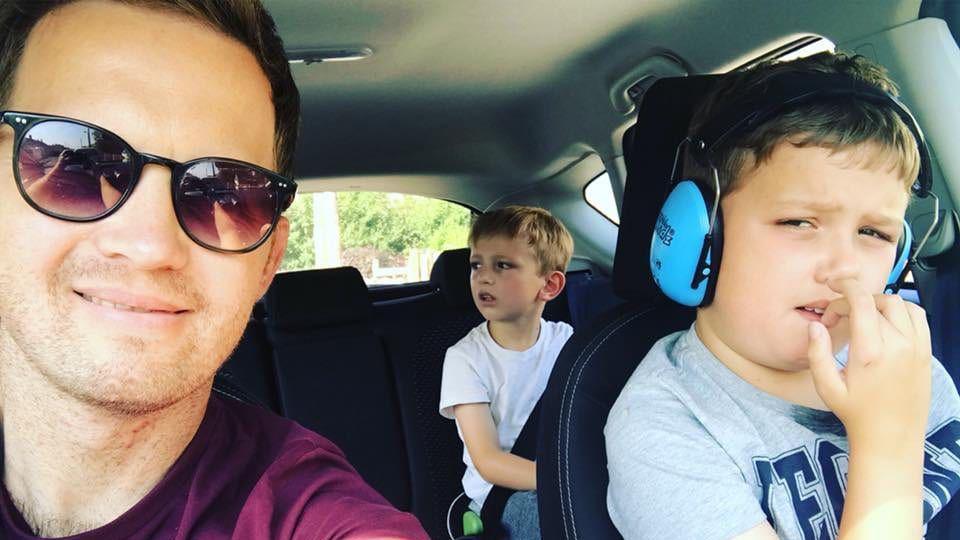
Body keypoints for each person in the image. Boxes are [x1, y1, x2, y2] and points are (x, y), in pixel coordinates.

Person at [0, 1, 428, 538]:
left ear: (269, 261)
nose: (151, 244)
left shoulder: (314, 519)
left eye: (223, 194)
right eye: (79, 166)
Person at [605, 51, 960, 539]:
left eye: (875, 234)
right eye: (798, 222)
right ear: (699, 235)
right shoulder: (661, 429)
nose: (845, 267)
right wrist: (887, 445)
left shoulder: (899, 364)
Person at [439, 205, 575, 538]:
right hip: (501, 497)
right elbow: (488, 460)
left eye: (502, 265)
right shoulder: (465, 358)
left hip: (560, 477)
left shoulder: (566, 341)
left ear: (550, 285)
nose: (483, 276)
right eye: (476, 265)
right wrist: (564, 479)